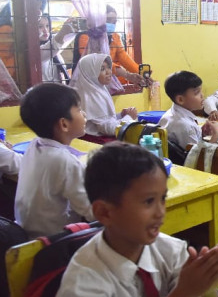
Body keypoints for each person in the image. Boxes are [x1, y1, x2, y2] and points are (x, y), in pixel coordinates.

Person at [56, 142, 218, 297]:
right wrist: (181, 294)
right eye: (149, 201)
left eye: (162, 198)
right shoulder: (81, 281)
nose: (161, 212)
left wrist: (206, 289)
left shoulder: (168, 248)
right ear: (104, 212)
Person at [14, 83, 94, 238]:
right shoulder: (65, 161)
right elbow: (90, 211)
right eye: (78, 109)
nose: (84, 114)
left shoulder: (34, 146)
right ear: (64, 124)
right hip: (54, 244)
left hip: (26, 235)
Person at [76, 5, 146, 87]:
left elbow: (124, 58)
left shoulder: (114, 36)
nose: (112, 25)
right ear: (98, 20)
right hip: (87, 84)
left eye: (114, 22)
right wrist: (127, 75)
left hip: (105, 81)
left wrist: (143, 75)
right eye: (108, 20)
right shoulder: (86, 37)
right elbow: (99, 61)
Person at [73, 54, 137, 143]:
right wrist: (129, 118)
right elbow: (107, 129)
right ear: (91, 73)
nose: (109, 72)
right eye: (102, 69)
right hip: (96, 141)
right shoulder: (91, 96)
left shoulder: (97, 89)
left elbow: (102, 120)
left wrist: (120, 115)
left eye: (108, 67)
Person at [158, 71, 218, 150]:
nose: (202, 95)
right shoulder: (185, 125)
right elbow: (197, 158)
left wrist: (200, 132)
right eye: (197, 92)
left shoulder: (171, 113)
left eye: (201, 91)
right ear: (180, 99)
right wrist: (215, 135)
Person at [38, 15, 70, 83]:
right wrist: (64, 30)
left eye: (47, 25)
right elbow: (54, 46)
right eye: (40, 27)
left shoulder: (54, 48)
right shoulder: (35, 51)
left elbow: (65, 39)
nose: (45, 30)